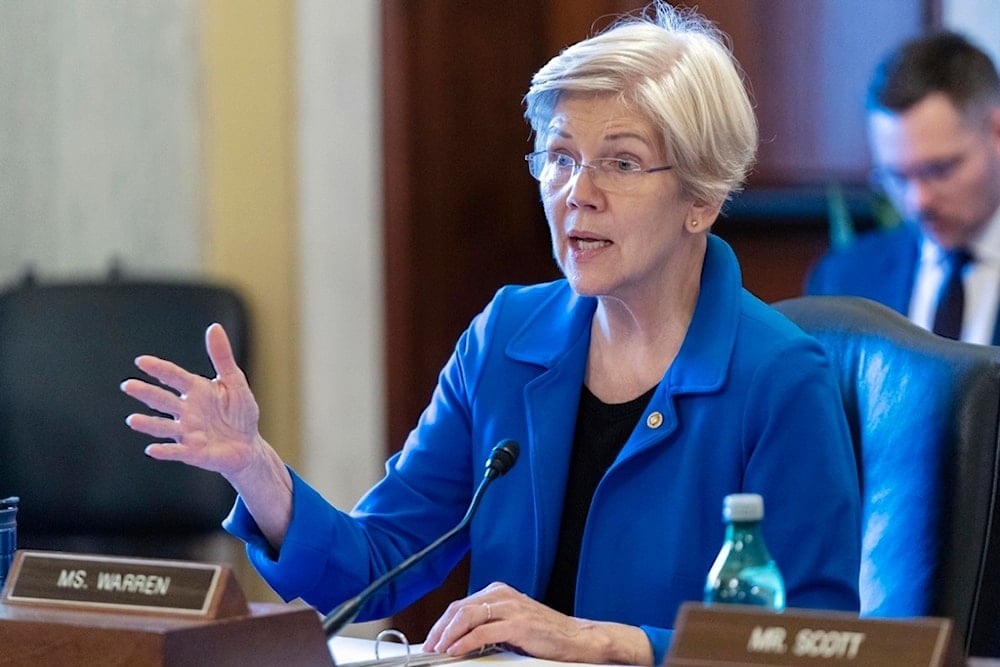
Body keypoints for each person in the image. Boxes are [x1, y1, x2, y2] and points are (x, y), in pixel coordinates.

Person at [122, 3, 860, 665]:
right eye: (561, 157)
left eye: (622, 162)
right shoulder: (507, 337)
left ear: (701, 198)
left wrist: (608, 641)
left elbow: (817, 641)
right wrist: (258, 470)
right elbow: (379, 560)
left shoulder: (780, 376)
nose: (579, 193)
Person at [807, 32, 1000, 344]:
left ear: (996, 133)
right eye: (896, 178)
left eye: (940, 170)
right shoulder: (842, 282)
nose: (917, 201)